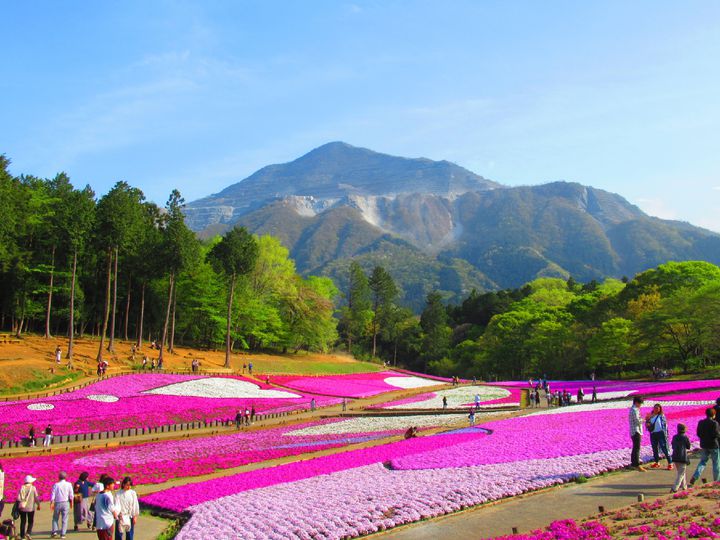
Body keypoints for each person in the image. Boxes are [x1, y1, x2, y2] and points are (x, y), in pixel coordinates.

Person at [690, 408, 720, 485]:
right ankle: (716, 480)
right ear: (713, 415)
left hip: (704, 445)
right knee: (716, 463)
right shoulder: (715, 423)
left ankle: (695, 476)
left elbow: (698, 433)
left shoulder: (701, 422)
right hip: (713, 445)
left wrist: (704, 438)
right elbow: (716, 434)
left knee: (703, 461)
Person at [646, 403, 672, 470]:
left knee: (664, 448)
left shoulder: (661, 416)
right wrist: (647, 423)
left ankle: (670, 463)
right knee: (654, 448)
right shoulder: (650, 416)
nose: (656, 409)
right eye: (655, 408)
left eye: (657, 408)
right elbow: (647, 424)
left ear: (660, 409)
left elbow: (665, 425)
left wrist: (666, 434)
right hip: (653, 434)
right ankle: (657, 462)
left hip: (660, 433)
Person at [50, 470, 74, 539]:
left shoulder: (56, 484)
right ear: (65, 477)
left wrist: (52, 502)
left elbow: (53, 494)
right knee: (65, 519)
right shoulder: (69, 484)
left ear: (59, 477)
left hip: (57, 503)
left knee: (55, 518)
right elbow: (71, 494)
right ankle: (63, 533)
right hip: (66, 503)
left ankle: (54, 531)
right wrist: (71, 502)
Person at [17, 474, 40, 540]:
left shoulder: (22, 487)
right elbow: (36, 497)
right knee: (30, 521)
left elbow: (18, 498)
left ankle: (22, 536)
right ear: (30, 481)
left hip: (22, 508)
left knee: (23, 522)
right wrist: (38, 504)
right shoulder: (33, 488)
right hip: (31, 508)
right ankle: (28, 533)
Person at [671, 423, 691, 492]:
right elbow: (688, 446)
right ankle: (674, 488)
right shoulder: (685, 437)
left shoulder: (674, 437)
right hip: (682, 457)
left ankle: (684, 486)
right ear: (684, 430)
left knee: (681, 472)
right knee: (681, 473)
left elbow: (672, 445)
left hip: (675, 456)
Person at [629, 396, 646, 471]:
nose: (640, 405)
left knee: (635, 447)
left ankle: (633, 463)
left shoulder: (633, 409)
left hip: (634, 430)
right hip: (636, 431)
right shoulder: (634, 410)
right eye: (640, 403)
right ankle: (637, 465)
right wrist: (645, 419)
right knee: (637, 448)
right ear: (636, 402)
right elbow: (637, 421)